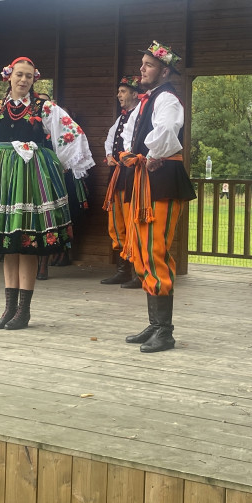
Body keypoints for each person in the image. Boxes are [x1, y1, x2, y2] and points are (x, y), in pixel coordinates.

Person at [0, 56, 94, 329]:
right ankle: (8, 309)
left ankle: (24, 311)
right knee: (9, 244)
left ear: (34, 79)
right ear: (9, 77)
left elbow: (72, 135)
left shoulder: (46, 107)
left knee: (26, 241)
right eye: (19, 75)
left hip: (31, 178)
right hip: (4, 179)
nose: (24, 80)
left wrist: (55, 162)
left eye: (29, 76)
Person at [119, 41, 197, 353]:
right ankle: (155, 324)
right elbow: (128, 134)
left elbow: (166, 132)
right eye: (142, 64)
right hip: (144, 179)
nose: (142, 69)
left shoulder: (167, 98)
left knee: (155, 250)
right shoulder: (145, 101)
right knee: (142, 249)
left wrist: (149, 153)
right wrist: (131, 154)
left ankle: (165, 330)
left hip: (162, 180)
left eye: (148, 65)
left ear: (164, 71)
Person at [100, 74, 141, 287]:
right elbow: (110, 137)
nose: (119, 95)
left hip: (131, 175)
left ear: (135, 93)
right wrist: (109, 155)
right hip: (117, 175)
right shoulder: (122, 116)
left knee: (131, 220)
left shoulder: (141, 114)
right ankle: (123, 269)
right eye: (119, 91)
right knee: (116, 221)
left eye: (123, 91)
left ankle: (138, 273)